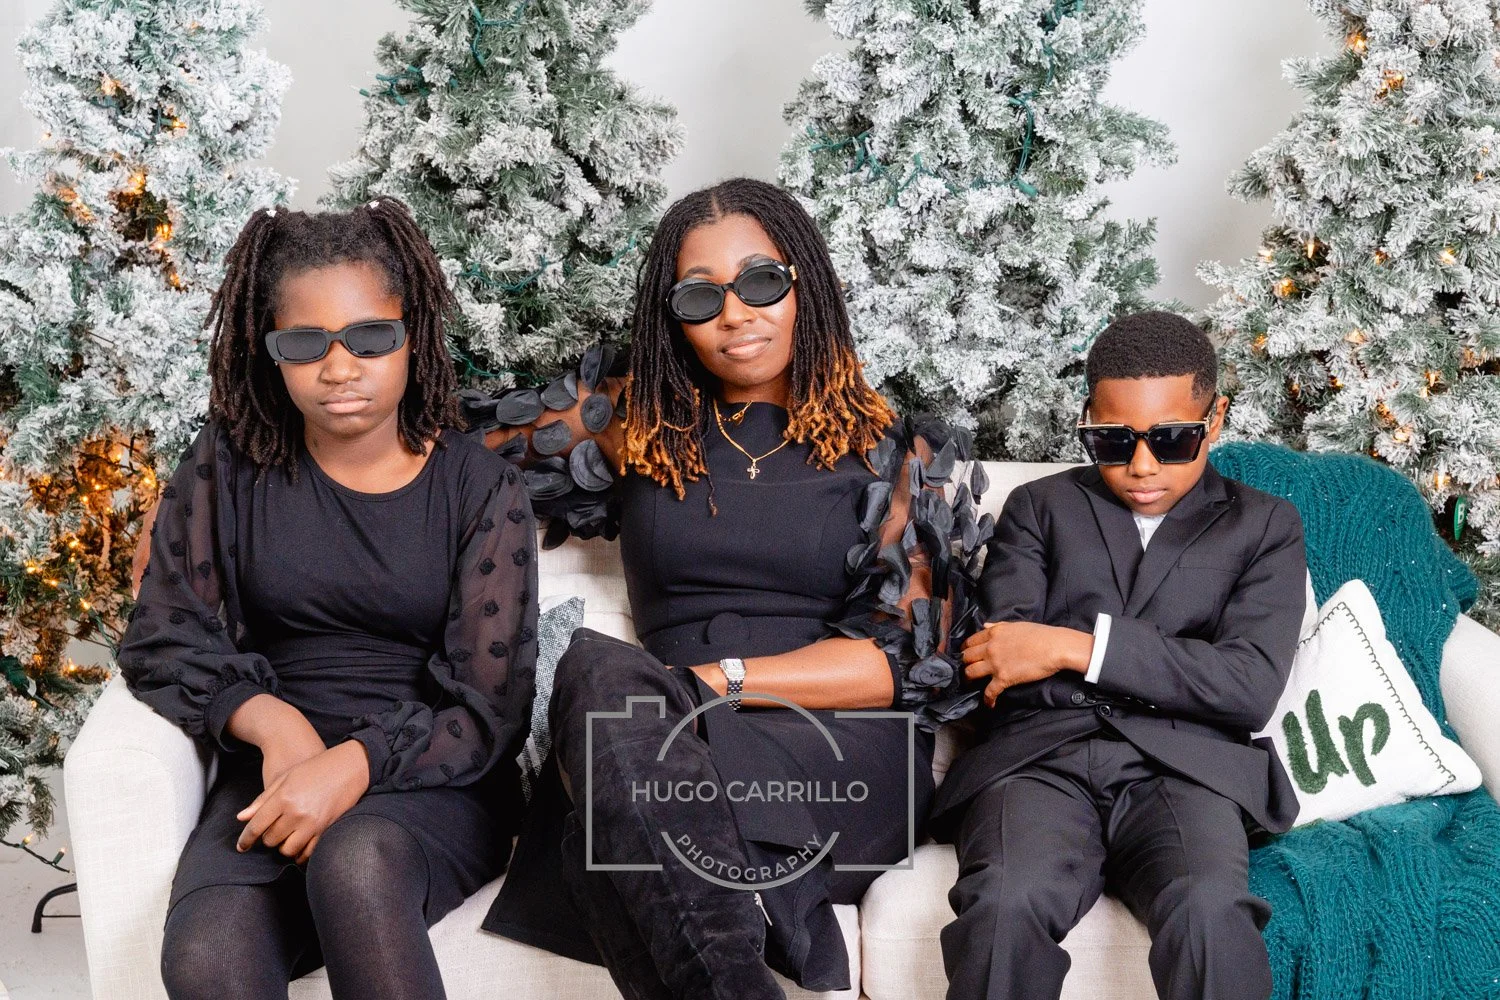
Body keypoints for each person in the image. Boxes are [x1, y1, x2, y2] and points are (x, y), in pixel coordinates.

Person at [464, 177, 988, 1000]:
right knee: (598, 679)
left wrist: (716, 686)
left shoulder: (898, 450)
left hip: (833, 741)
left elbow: (900, 661)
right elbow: (444, 453)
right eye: (702, 295)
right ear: (671, 314)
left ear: (804, 284)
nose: (735, 314)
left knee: (608, 791)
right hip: (662, 747)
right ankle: (740, 971)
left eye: (760, 283)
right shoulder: (635, 420)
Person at [117, 200, 538, 1000]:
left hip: (429, 779)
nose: (339, 369)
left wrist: (353, 765)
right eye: (305, 344)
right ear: (270, 349)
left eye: (370, 338)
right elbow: (162, 635)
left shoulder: (480, 486)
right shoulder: (230, 465)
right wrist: (274, 728)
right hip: (279, 769)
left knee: (356, 863)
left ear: (412, 334)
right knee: (207, 954)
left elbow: (489, 708)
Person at [932, 311, 1307, 1000]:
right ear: (1087, 421)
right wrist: (1180, 670)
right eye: (1113, 441)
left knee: (1209, 912)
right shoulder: (1039, 508)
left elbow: (1248, 686)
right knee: (1005, 906)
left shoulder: (1265, 526)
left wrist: (1075, 646)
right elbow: (1003, 666)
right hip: (1039, 763)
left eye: (1171, 441)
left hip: (1184, 772)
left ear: (1214, 420)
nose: (1141, 465)